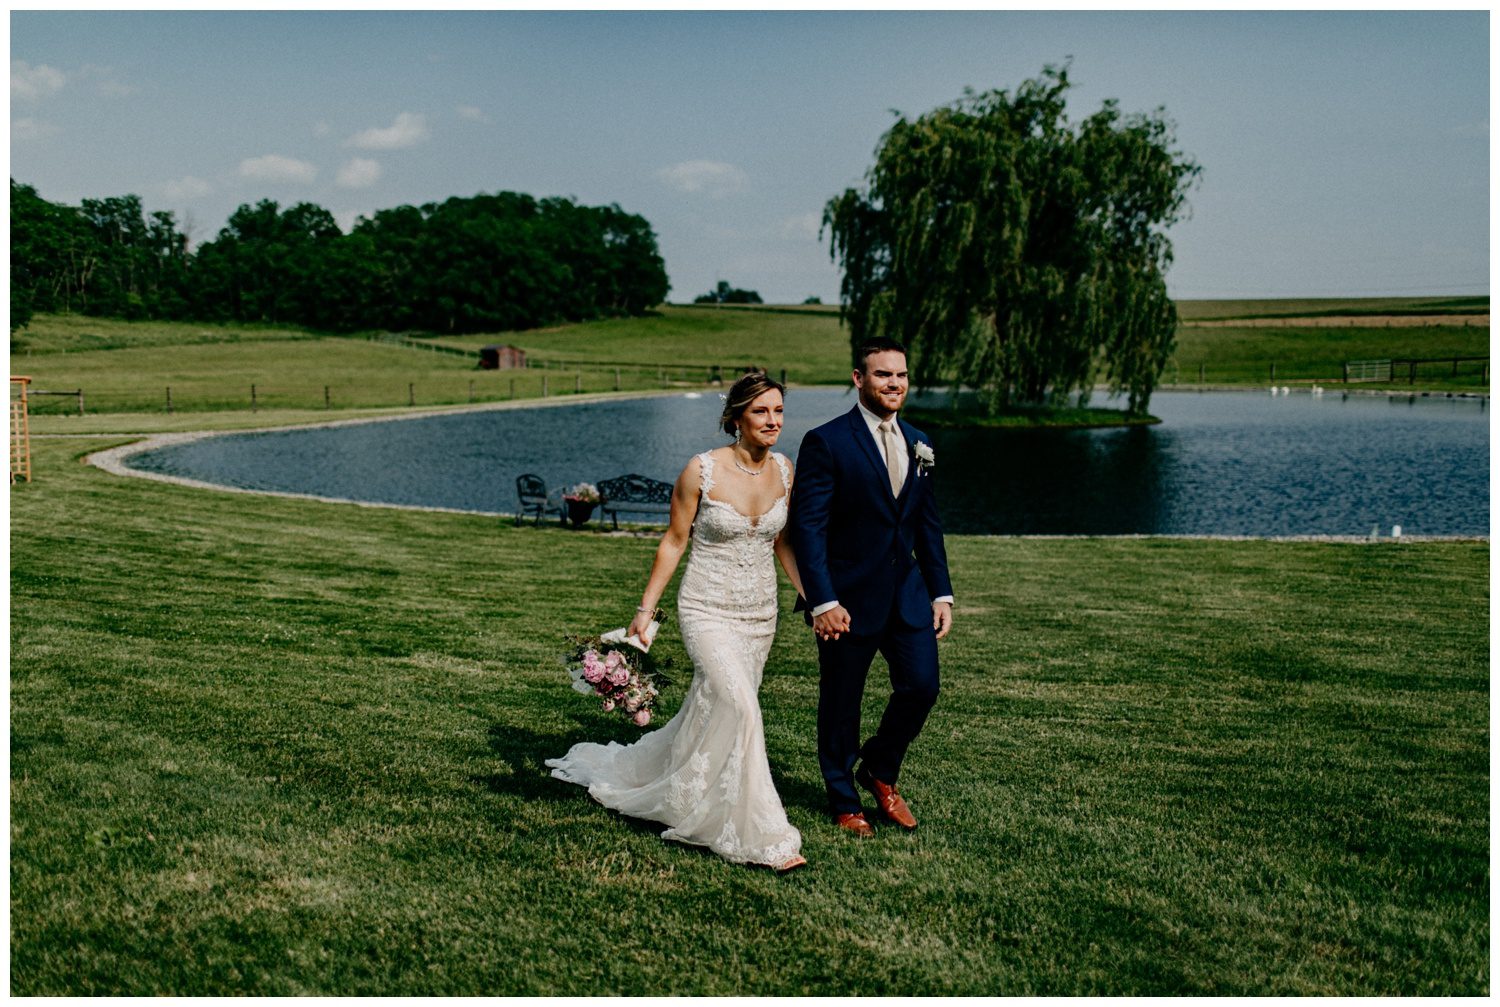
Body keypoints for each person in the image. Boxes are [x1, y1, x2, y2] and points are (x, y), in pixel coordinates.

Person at [546, 371, 808, 873]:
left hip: (760, 613)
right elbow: (674, 541)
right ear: (736, 418)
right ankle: (760, 834)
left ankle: (686, 787)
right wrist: (645, 611)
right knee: (744, 708)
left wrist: (813, 598)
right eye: (761, 411)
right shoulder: (701, 470)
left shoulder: (785, 469)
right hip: (706, 609)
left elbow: (783, 543)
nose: (773, 421)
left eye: (778, 411)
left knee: (718, 708)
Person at [787, 337, 954, 837]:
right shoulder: (827, 441)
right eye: (883, 375)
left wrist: (940, 592)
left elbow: (927, 522)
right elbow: (808, 528)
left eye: (901, 375)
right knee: (842, 702)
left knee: (922, 687)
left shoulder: (919, 440)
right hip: (845, 600)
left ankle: (879, 769)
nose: (894, 384)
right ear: (859, 379)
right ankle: (844, 798)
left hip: (906, 595)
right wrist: (823, 600)